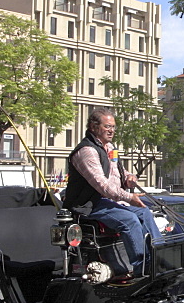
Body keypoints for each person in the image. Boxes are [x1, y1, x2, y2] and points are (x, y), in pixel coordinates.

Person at [63, 107, 160, 278]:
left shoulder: (109, 147)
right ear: (93, 127)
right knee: (129, 220)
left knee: (144, 212)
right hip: (87, 205)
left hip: (105, 201)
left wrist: (128, 177)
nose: (112, 130)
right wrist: (129, 198)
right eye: (107, 126)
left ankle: (160, 259)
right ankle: (142, 270)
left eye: (113, 127)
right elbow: (103, 185)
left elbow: (116, 174)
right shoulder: (86, 151)